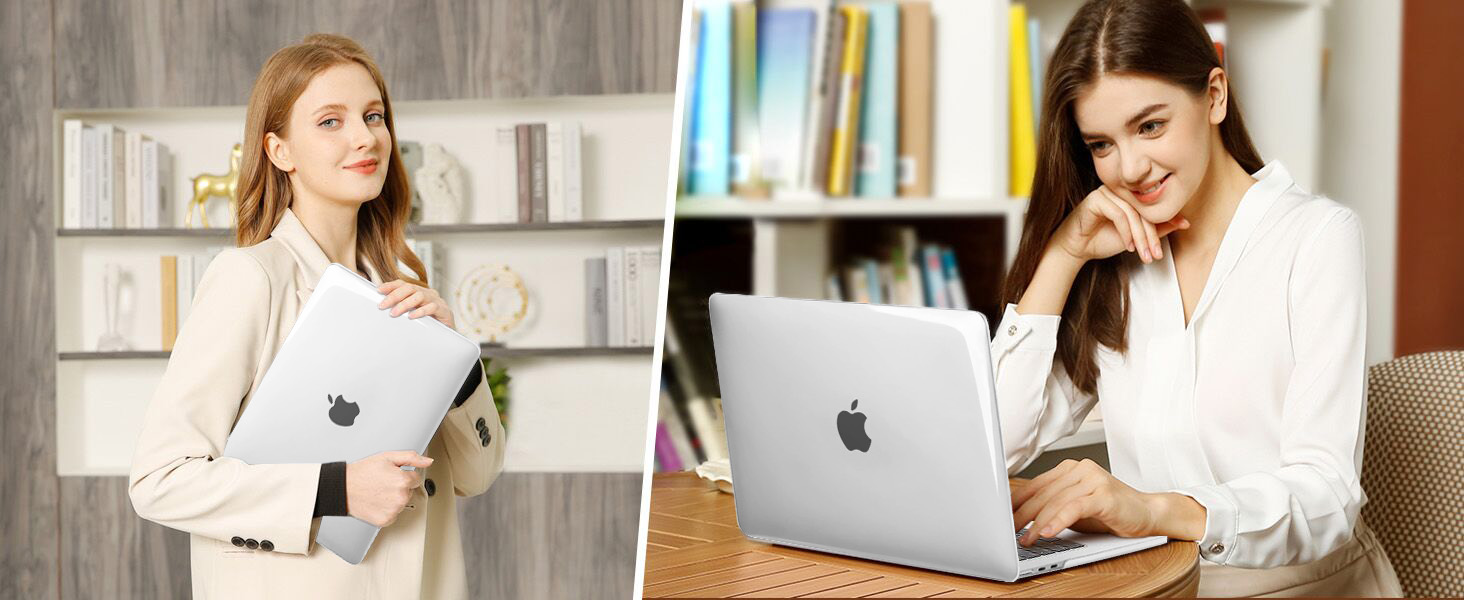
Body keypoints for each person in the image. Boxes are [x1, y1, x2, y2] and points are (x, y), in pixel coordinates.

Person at [993, 0, 1402, 596]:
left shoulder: (1316, 238)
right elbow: (994, 445)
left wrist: (1151, 510)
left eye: (1149, 126)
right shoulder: (1115, 255)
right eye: (1101, 144)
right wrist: (1064, 254)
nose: (1130, 168)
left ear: (1214, 96)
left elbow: (1327, 496)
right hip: (1155, 586)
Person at [127, 33, 505, 599]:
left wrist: (457, 361)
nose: (365, 137)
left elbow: (477, 476)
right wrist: (337, 489)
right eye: (331, 121)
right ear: (279, 151)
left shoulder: (405, 297)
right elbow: (160, 480)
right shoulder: (251, 279)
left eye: (373, 116)